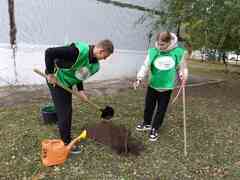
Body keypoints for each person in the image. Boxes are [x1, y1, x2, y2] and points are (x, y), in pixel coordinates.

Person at [45, 39, 114, 153]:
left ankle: (57, 115)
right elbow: (49, 52)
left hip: (67, 83)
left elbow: (79, 73)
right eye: (105, 56)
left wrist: (81, 90)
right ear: (101, 51)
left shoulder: (94, 65)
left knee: (64, 109)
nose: (105, 59)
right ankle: (66, 142)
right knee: (66, 111)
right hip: (56, 80)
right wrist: (50, 73)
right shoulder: (77, 51)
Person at [133, 32, 188, 141]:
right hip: (153, 84)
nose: (160, 46)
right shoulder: (153, 51)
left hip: (166, 87)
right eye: (159, 44)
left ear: (169, 42)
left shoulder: (178, 52)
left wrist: (183, 75)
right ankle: (147, 123)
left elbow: (181, 67)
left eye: (163, 44)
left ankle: (155, 128)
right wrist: (139, 78)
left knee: (161, 109)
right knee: (149, 105)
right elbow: (146, 65)